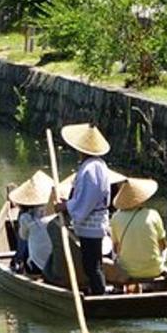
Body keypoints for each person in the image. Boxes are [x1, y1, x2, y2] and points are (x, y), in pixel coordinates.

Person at [57, 122, 112, 296]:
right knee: (93, 263)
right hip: (95, 223)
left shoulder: (91, 169)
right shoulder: (99, 165)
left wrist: (66, 205)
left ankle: (100, 295)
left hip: (91, 225)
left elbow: (86, 200)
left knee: (91, 265)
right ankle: (98, 291)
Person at [105, 178, 167, 285]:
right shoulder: (153, 214)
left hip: (127, 272)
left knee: (106, 263)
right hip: (154, 270)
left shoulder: (116, 217)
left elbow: (116, 248)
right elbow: (163, 246)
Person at [7, 171, 55, 275]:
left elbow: (23, 239)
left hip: (37, 266)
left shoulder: (25, 217)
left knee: (26, 239)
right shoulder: (56, 215)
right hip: (56, 264)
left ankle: (18, 261)